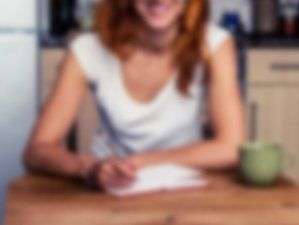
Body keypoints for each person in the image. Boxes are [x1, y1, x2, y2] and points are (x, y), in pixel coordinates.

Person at [24, 0, 245, 189]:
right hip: (111, 190)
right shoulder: (86, 49)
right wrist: (90, 168)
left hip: (187, 184)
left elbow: (232, 148)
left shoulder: (215, 43)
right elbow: (36, 151)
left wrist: (139, 162)